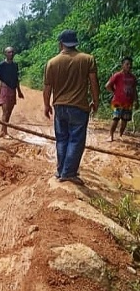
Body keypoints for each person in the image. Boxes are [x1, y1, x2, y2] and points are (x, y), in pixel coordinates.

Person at [43, 29, 99, 185]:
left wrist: (46, 105)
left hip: (59, 107)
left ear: (61, 44)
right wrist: (96, 101)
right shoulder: (87, 59)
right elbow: (94, 82)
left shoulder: (52, 63)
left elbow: (47, 87)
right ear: (75, 43)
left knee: (61, 140)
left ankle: (61, 170)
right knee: (76, 140)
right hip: (79, 107)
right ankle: (68, 172)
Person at [105, 57, 138, 141]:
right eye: (127, 64)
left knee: (125, 120)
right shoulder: (117, 75)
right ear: (122, 65)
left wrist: (136, 101)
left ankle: (120, 135)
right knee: (116, 118)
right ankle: (110, 135)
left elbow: (134, 90)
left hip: (128, 102)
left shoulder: (133, 78)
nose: (129, 66)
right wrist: (114, 92)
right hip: (117, 101)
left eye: (130, 64)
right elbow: (107, 85)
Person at [0, 47, 24, 137]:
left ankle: (3, 130)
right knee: (5, 111)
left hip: (12, 90)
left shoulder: (15, 65)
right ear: (5, 54)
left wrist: (19, 91)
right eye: (9, 52)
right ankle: (4, 132)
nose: (11, 54)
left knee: (9, 111)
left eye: (12, 52)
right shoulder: (1, 65)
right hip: (4, 89)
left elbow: (16, 79)